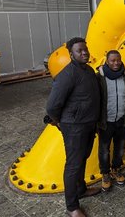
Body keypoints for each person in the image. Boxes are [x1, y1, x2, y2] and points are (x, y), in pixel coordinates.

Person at [46, 37, 101, 217]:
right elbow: (52, 106)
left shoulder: (88, 70)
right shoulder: (67, 75)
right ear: (71, 54)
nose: (84, 52)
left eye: (85, 49)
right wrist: (59, 122)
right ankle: (72, 206)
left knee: (82, 158)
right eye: (79, 50)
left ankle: (81, 189)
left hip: (88, 124)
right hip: (74, 127)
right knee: (73, 165)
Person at [97, 50, 125, 191]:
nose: (116, 63)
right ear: (107, 61)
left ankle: (116, 169)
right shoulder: (100, 77)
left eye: (118, 60)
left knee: (120, 147)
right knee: (104, 149)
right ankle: (105, 174)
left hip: (122, 120)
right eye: (112, 60)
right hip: (105, 121)